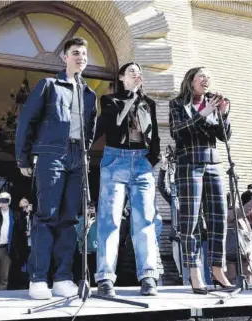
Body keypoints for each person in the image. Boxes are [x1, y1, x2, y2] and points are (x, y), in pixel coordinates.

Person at [15, 37, 98, 299]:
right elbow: (27, 122)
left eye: (84, 54)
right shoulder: (49, 85)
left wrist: (84, 156)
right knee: (46, 216)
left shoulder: (89, 93)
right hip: (51, 155)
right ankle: (38, 279)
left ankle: (63, 278)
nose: (81, 58)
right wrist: (23, 158)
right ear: (65, 58)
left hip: (77, 158)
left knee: (69, 220)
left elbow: (91, 130)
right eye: (75, 53)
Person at [93, 62, 161, 297]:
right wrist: (132, 95)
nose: (137, 74)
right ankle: (105, 278)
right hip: (115, 160)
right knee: (110, 220)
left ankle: (148, 276)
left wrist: (153, 159)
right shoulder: (110, 100)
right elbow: (115, 121)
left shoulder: (148, 104)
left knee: (145, 220)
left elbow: (155, 136)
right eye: (131, 71)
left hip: (142, 162)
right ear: (122, 77)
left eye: (139, 72)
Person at [169, 67, 232, 294]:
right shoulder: (177, 104)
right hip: (189, 165)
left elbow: (224, 137)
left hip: (213, 163)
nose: (206, 80)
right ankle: (195, 272)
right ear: (191, 81)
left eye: (208, 76)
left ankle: (217, 270)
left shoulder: (214, 103)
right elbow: (177, 132)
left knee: (218, 218)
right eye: (201, 76)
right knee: (191, 220)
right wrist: (202, 114)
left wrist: (223, 114)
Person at [157, 150, 212, 286]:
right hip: (180, 238)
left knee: (204, 273)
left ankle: (204, 301)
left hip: (200, 238)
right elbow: (162, 187)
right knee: (186, 275)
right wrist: (164, 167)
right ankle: (192, 300)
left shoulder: (200, 192)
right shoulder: (176, 197)